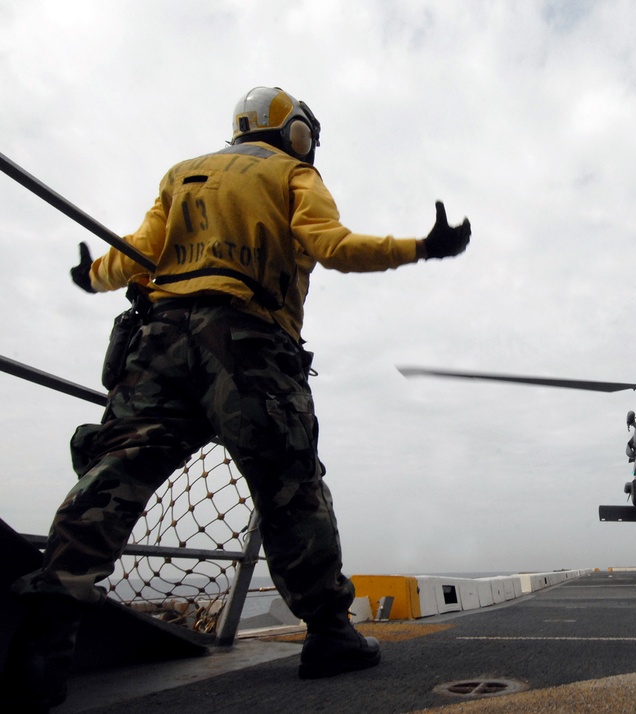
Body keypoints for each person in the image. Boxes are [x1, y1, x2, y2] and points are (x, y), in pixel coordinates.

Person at [1, 86, 471, 710]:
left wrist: (90, 276)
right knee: (289, 485)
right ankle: (329, 634)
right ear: (294, 131)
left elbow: (138, 255)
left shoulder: (183, 174)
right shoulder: (293, 173)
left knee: (115, 473)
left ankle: (46, 633)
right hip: (249, 343)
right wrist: (420, 247)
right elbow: (333, 248)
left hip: (158, 344)